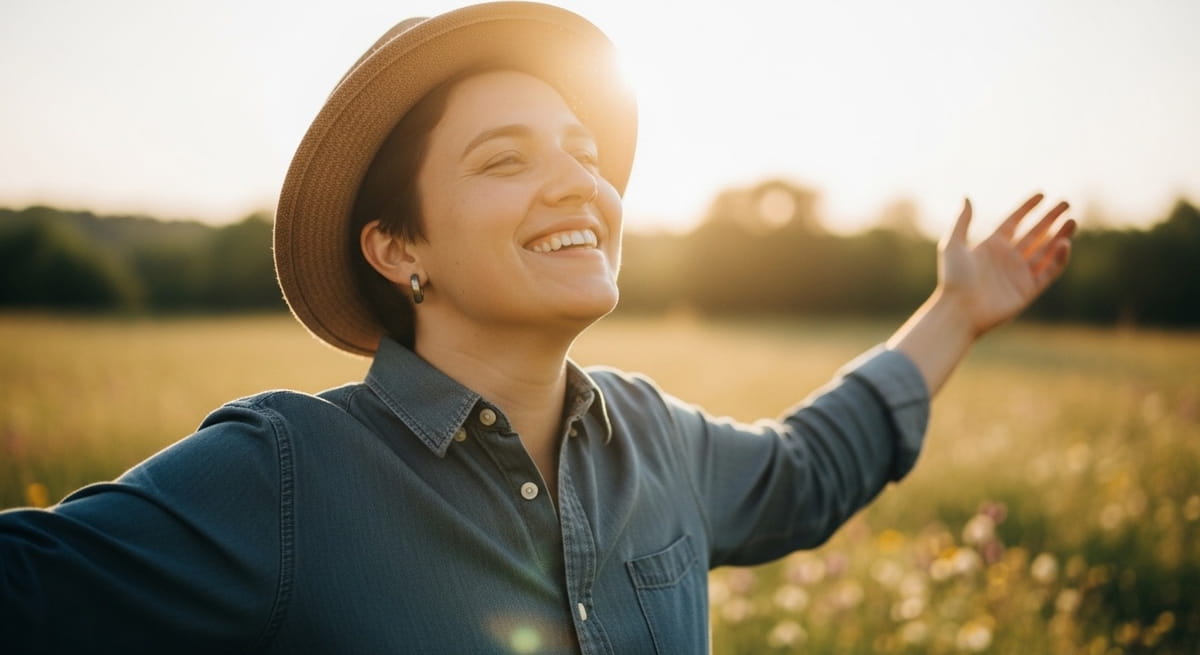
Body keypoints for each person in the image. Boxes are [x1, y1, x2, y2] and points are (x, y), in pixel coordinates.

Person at [0, 2, 1075, 653]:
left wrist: (958, 310)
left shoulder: (656, 441)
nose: (576, 181)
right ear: (397, 247)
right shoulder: (286, 472)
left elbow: (811, 464)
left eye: (581, 150)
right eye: (504, 159)